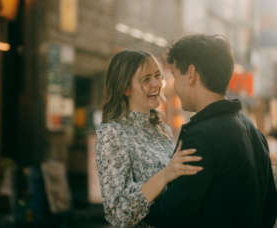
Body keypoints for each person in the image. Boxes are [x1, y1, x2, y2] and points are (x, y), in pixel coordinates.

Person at [142, 34, 277, 228]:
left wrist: (130, 205)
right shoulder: (252, 130)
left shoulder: (202, 137)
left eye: (175, 76)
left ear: (190, 74)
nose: (176, 86)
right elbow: (270, 208)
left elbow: (170, 214)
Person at [96, 50, 203, 227]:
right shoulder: (112, 132)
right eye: (146, 79)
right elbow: (117, 213)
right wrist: (165, 175)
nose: (156, 84)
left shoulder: (162, 130)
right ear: (125, 88)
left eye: (157, 76)